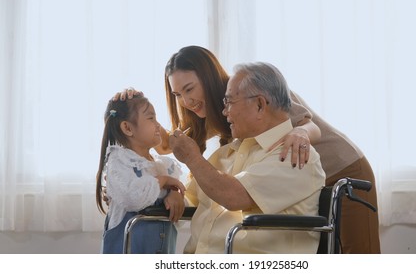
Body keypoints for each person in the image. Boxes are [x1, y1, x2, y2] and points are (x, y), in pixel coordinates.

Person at [116, 45, 380, 253]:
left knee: (357, 254)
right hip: (281, 177)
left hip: (340, 166)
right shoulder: (211, 115)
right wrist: (131, 105)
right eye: (177, 95)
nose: (185, 101)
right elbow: (165, 143)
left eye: (189, 89)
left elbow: (307, 125)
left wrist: (299, 133)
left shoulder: (253, 88)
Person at [169, 62, 326, 253]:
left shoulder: (296, 154)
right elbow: (189, 198)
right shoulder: (226, 154)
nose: (224, 111)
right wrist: (170, 192)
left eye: (229, 103)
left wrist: (191, 158)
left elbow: (233, 197)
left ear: (260, 105)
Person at [95, 94, 186, 254]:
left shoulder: (164, 166)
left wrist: (175, 194)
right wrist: (164, 181)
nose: (158, 125)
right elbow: (134, 197)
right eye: (151, 118)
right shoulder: (119, 161)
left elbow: (180, 216)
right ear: (128, 128)